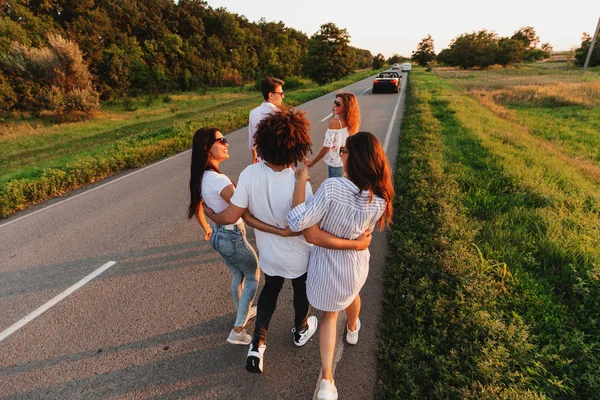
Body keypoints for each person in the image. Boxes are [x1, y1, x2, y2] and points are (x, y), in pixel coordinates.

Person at [204, 109, 372, 374]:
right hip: (299, 255)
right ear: (296, 146)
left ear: (264, 142)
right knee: (300, 290)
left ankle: (257, 345)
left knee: (270, 290)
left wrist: (212, 215)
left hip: (269, 253)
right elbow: (304, 225)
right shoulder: (298, 182)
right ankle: (300, 330)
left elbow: (236, 214)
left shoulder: (249, 173)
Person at [287, 131, 394, 400]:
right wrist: (355, 244)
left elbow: (299, 223)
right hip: (355, 266)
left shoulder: (333, 187)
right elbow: (362, 238)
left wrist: (301, 182)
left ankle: (327, 381)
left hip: (327, 264)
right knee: (352, 295)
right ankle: (354, 327)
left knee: (329, 316)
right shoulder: (380, 198)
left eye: (344, 151)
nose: (341, 154)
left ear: (353, 158)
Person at [188, 127, 300, 346]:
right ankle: (238, 330)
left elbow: (201, 207)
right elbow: (244, 213)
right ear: (206, 148)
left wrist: (209, 225)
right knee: (252, 277)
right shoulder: (218, 181)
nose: (226, 143)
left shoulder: (202, 176)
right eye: (221, 141)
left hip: (219, 237)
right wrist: (279, 231)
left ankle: (243, 311)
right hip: (232, 237)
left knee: (237, 275)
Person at [304, 92, 361, 177]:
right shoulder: (353, 121)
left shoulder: (334, 122)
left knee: (334, 188)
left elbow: (327, 147)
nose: (334, 106)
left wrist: (312, 162)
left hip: (336, 165)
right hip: (347, 162)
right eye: (335, 102)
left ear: (346, 107)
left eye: (338, 104)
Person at [248, 77, 285, 164]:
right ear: (271, 95)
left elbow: (252, 140)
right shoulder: (280, 114)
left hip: (262, 161)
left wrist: (254, 156)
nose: (283, 96)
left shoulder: (253, 113)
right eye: (281, 93)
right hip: (279, 161)